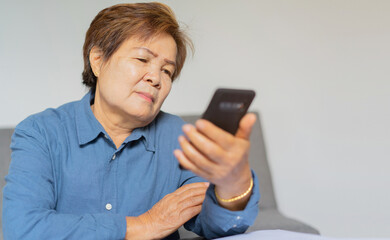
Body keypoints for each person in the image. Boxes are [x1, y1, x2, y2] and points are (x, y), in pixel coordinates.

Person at [2, 2, 259, 239]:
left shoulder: (179, 137)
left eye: (167, 71)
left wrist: (234, 184)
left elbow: (216, 225)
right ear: (98, 61)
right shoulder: (40, 132)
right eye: (142, 59)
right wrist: (144, 224)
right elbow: (22, 228)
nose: (156, 78)